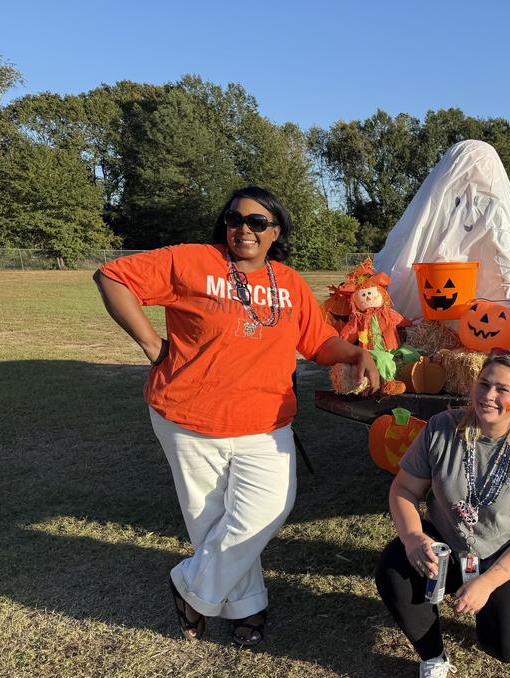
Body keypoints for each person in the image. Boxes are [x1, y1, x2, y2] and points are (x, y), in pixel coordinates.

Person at [94, 186, 379, 647]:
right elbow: (112, 276)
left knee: (265, 511)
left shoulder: (288, 282)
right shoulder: (192, 261)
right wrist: (151, 344)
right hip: (188, 418)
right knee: (210, 522)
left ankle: (192, 589)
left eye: (257, 222)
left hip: (266, 422)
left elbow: (317, 341)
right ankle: (248, 608)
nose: (243, 229)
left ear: (276, 231)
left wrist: (355, 352)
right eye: (234, 220)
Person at [375, 353, 510, 678]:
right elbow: (403, 489)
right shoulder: (441, 428)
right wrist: (414, 537)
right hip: (448, 546)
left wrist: (488, 583)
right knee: (393, 569)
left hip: (504, 552)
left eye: (502, 389)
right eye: (484, 384)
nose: (489, 395)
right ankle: (433, 659)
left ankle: (488, 603)